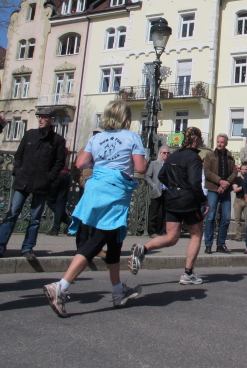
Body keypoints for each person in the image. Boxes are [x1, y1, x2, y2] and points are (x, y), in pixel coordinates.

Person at [43, 101, 146, 317]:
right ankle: (61, 285)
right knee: (99, 238)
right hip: (115, 191)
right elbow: (140, 167)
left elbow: (80, 163)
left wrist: (102, 165)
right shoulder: (131, 137)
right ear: (126, 118)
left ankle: (118, 290)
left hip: (95, 187)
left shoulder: (96, 138)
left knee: (114, 240)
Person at [129, 127, 209, 285]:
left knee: (171, 237)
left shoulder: (174, 155)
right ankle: (188, 273)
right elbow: (195, 182)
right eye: (200, 138)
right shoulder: (194, 157)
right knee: (196, 234)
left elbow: (161, 175)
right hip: (188, 200)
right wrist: (202, 201)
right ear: (195, 139)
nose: (201, 141)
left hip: (172, 199)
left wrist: (173, 187)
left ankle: (143, 249)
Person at [0, 108, 65, 259]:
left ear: (52, 119)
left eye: (44, 117)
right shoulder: (30, 134)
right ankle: (1, 245)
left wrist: (49, 177)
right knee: (12, 213)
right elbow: (19, 155)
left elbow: (59, 162)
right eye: (39, 117)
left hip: (42, 183)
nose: (40, 119)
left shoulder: (57, 140)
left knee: (35, 218)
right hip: (23, 180)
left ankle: (28, 248)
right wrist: (18, 170)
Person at [203, 133, 237, 254]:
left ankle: (221, 244)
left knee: (226, 218)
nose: (219, 144)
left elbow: (234, 172)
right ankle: (208, 244)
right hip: (213, 189)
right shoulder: (209, 155)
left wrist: (226, 183)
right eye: (218, 142)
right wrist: (220, 181)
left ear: (226, 143)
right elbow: (207, 172)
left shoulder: (230, 157)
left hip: (225, 191)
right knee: (211, 217)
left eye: (222, 142)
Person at [46, 146, 73, 236]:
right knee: (60, 203)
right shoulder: (63, 148)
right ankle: (56, 228)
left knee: (50, 201)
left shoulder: (52, 146)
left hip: (56, 174)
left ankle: (68, 221)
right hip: (65, 174)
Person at [145, 147, 170, 237]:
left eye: (168, 153)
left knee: (166, 213)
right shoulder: (154, 163)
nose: (166, 155)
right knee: (154, 212)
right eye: (164, 153)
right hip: (157, 191)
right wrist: (153, 185)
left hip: (167, 191)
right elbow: (147, 176)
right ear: (160, 153)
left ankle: (164, 231)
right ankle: (152, 231)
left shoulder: (170, 164)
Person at [232, 164, 247, 242]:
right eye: (243, 169)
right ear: (240, 170)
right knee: (237, 219)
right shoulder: (237, 179)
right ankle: (238, 236)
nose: (244, 171)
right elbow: (235, 189)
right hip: (238, 200)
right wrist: (244, 186)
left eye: (246, 169)